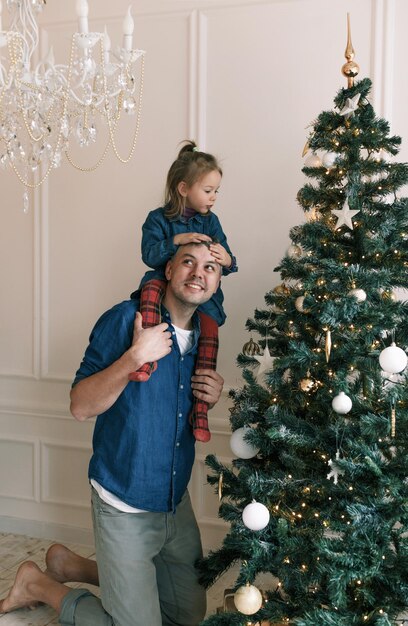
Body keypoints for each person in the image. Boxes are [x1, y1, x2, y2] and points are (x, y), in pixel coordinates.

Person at [0, 242, 225, 626]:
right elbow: (80, 405)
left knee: (187, 616)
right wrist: (134, 357)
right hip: (124, 500)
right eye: (188, 261)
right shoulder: (125, 320)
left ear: (216, 282)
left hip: (173, 499)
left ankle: (71, 564)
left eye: (210, 267)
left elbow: (172, 411)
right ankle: (37, 584)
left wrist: (211, 395)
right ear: (168, 270)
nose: (198, 273)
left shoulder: (205, 337)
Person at [129, 140, 237, 443]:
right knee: (149, 290)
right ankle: (146, 357)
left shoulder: (211, 222)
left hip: (199, 294)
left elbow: (224, 259)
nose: (213, 197)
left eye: (217, 191)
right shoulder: (158, 219)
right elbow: (150, 255)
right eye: (208, 190)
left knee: (211, 328)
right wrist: (177, 242)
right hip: (165, 282)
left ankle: (200, 409)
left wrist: (226, 259)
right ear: (183, 188)